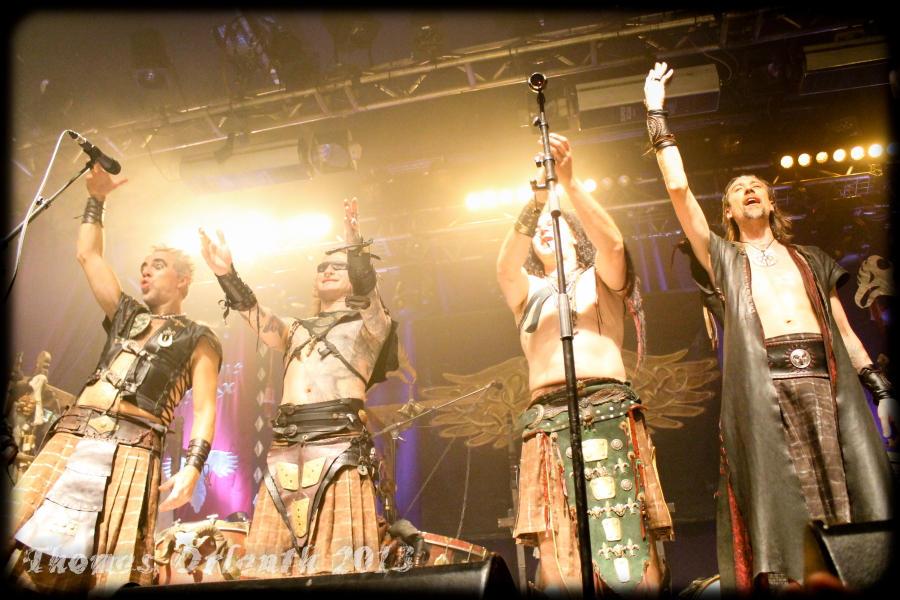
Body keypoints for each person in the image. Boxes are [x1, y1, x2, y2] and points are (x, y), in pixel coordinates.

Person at [644, 62, 896, 594]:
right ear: (729, 210)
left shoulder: (811, 257)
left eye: (756, 185)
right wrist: (656, 113)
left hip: (827, 383)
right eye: (738, 189)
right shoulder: (723, 257)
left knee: (847, 494)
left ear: (771, 200)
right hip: (766, 388)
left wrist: (880, 389)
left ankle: (853, 580)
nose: (748, 191)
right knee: (786, 502)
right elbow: (678, 188)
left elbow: (844, 330)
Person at [2, 164, 222, 595]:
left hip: (133, 449)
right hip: (71, 436)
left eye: (157, 266)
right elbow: (89, 255)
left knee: (104, 571)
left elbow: (205, 409)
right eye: (143, 266)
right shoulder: (126, 314)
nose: (145, 272)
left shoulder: (200, 337)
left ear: (182, 280)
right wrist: (97, 199)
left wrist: (193, 468)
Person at [497, 134, 673, 598]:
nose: (544, 230)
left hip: (608, 408)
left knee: (629, 535)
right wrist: (537, 202)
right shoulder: (527, 291)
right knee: (555, 541)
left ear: (575, 235)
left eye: (554, 224)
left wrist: (569, 185)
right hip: (546, 418)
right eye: (538, 228)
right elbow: (504, 268)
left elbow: (612, 245)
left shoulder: (601, 280)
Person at [199, 198, 396, 578]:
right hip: (286, 447)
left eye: (339, 266)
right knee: (268, 569)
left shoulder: (372, 326)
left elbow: (370, 293)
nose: (328, 270)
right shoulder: (293, 328)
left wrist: (355, 248)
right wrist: (227, 274)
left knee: (339, 568)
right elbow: (254, 313)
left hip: (339, 446)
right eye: (322, 267)